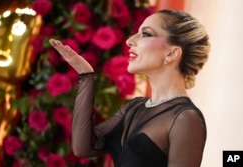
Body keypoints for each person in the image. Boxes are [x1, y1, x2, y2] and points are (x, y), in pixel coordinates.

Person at [49, 9, 210, 167]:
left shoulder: (185, 118)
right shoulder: (134, 107)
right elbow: (84, 147)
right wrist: (86, 76)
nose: (130, 40)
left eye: (146, 34)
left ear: (172, 53)